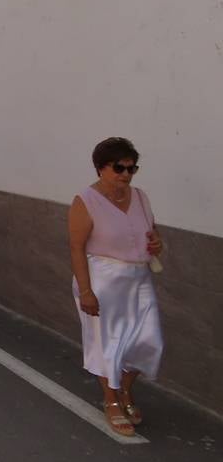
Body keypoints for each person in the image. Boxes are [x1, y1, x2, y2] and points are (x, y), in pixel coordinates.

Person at [68, 137, 164, 437]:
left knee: (149, 342)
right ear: (100, 168)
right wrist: (86, 291)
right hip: (104, 279)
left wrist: (157, 243)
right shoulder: (86, 200)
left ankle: (123, 388)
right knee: (107, 344)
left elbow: (151, 232)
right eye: (119, 168)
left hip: (139, 279)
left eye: (131, 168)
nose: (126, 174)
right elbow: (76, 247)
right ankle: (112, 401)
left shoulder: (141, 197)